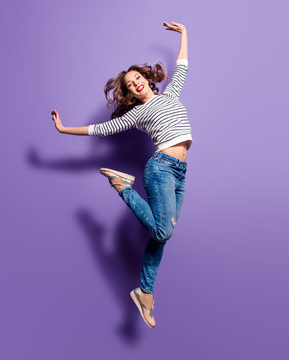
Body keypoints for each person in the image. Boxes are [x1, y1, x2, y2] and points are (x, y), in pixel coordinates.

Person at [50, 21, 191, 328]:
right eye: (130, 85)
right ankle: (123, 186)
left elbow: (181, 67)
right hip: (161, 169)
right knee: (163, 231)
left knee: (161, 236)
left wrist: (184, 34)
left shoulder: (170, 97)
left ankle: (145, 292)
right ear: (130, 93)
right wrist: (64, 128)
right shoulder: (138, 113)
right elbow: (102, 129)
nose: (136, 84)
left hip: (180, 172)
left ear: (147, 80)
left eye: (138, 78)